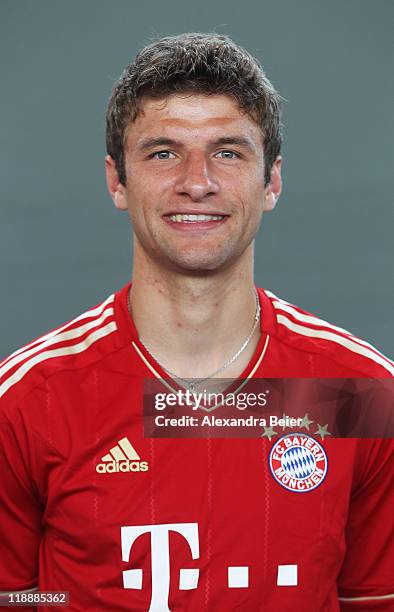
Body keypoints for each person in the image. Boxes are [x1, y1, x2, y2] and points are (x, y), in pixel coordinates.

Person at [0, 32, 392, 612]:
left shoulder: (358, 391)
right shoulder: (31, 397)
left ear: (272, 181)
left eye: (228, 152)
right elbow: (19, 599)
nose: (197, 181)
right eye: (163, 152)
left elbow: (371, 600)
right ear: (116, 181)